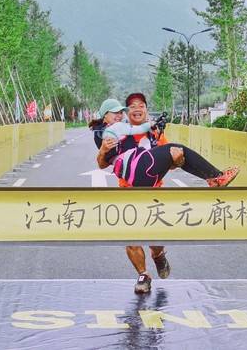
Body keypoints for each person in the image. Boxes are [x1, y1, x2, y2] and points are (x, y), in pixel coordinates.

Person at [90, 93, 239, 293]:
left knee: (155, 240)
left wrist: (177, 159)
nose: (136, 109)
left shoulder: (155, 134)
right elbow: (102, 163)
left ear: (146, 110)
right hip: (128, 192)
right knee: (131, 238)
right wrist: (102, 151)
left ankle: (158, 255)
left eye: (141, 106)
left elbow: (172, 164)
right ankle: (143, 275)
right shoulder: (118, 133)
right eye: (131, 107)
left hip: (154, 191)